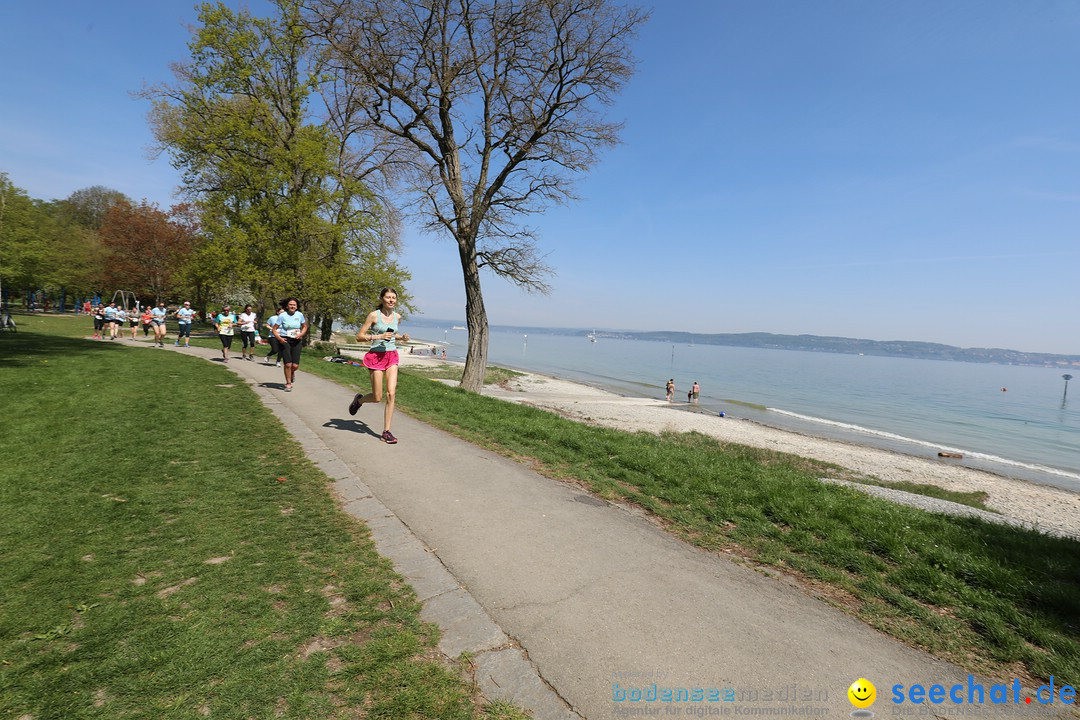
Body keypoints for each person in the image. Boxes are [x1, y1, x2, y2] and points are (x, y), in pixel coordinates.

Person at [348, 287, 410, 444]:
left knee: (391, 393)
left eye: (393, 298)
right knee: (377, 397)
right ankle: (359, 401)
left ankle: (386, 432)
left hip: (391, 356)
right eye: (388, 297)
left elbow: (392, 334)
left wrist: (401, 337)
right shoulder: (373, 316)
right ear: (382, 299)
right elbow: (359, 336)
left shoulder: (397, 316)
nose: (391, 300)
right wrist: (378, 336)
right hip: (376, 356)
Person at [271, 298, 308, 392]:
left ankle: (292, 373)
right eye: (290, 304)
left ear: (297, 306)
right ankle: (288, 383)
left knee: (295, 366)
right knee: (288, 364)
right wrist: (279, 338)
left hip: (296, 340)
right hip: (285, 340)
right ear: (287, 306)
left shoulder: (299, 315)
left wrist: (301, 334)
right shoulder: (282, 316)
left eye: (294, 305)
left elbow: (304, 327)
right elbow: (274, 329)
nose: (292, 306)